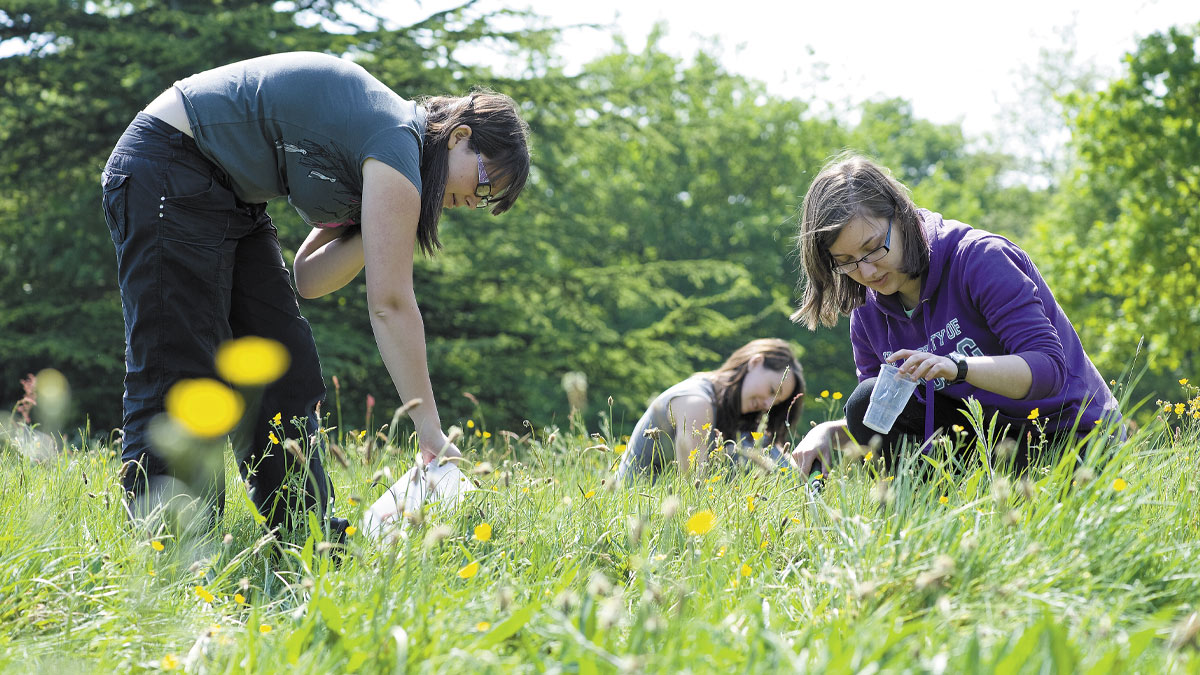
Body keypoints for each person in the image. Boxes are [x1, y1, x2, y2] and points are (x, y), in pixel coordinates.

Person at [101, 51, 530, 531]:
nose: (477, 200)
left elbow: (309, 276)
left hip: (227, 195)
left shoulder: (391, 160)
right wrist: (428, 426)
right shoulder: (395, 142)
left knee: (285, 364)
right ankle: (174, 544)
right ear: (461, 137)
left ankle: (306, 537)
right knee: (180, 368)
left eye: (489, 200)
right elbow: (389, 306)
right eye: (486, 179)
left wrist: (382, 224)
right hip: (171, 162)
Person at [790, 154, 1120, 475]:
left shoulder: (980, 259)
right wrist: (835, 430)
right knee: (864, 402)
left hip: (1068, 432)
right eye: (845, 260)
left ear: (900, 215)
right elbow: (886, 416)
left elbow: (1049, 370)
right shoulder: (868, 311)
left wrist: (958, 367)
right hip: (983, 441)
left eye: (873, 247)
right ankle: (919, 523)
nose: (866, 270)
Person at [616, 339, 805, 483]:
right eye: (772, 390)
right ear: (755, 363)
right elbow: (693, 486)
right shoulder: (696, 402)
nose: (768, 405)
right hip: (637, 518)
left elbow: (783, 461)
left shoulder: (733, 413)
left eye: (776, 401)